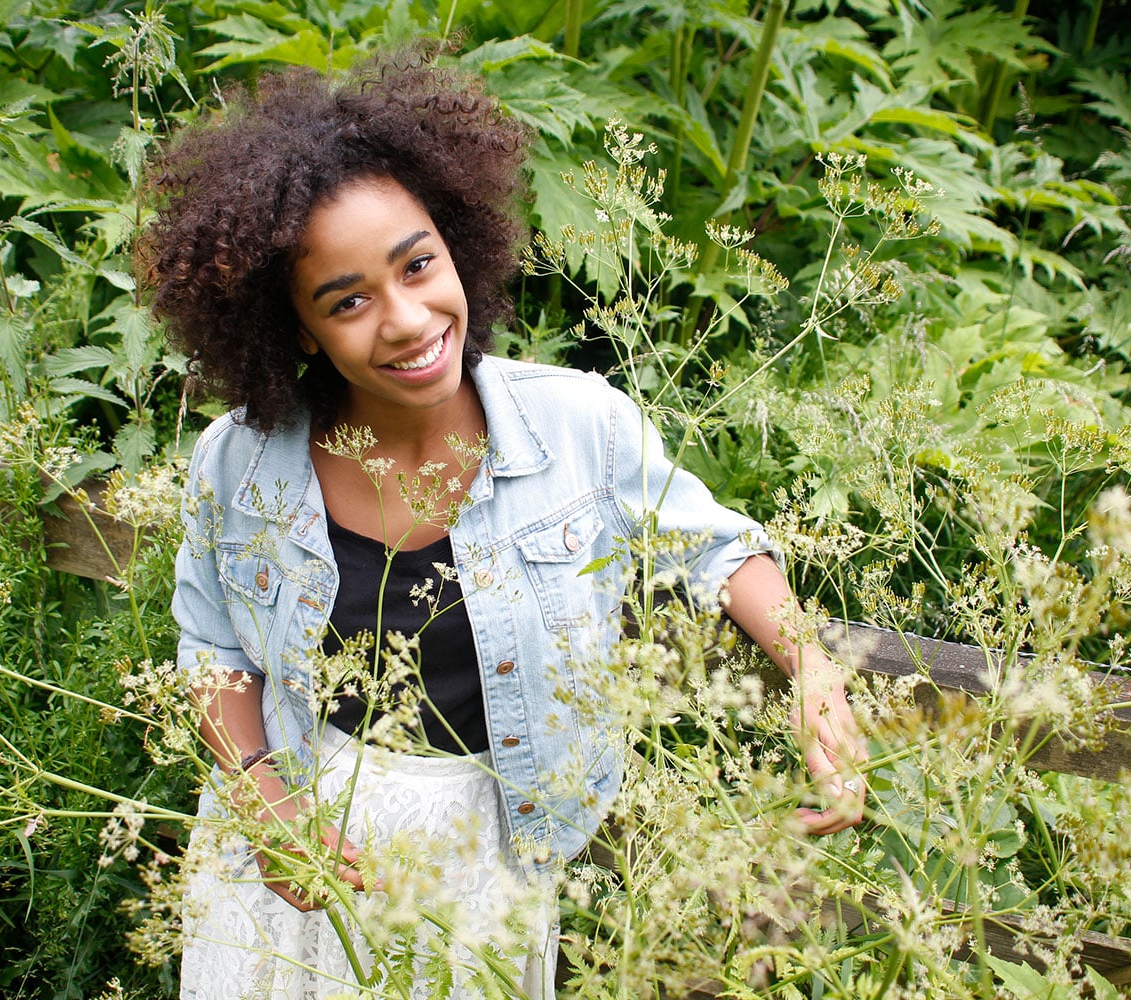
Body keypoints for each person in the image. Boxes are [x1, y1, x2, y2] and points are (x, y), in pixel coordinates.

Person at [141, 48, 865, 1000]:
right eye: (347, 300)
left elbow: (718, 548)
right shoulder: (240, 462)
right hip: (293, 858)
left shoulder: (578, 425)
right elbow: (213, 642)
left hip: (487, 856)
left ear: (458, 244)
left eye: (418, 265)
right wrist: (264, 804)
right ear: (296, 329)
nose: (404, 319)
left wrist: (812, 667)